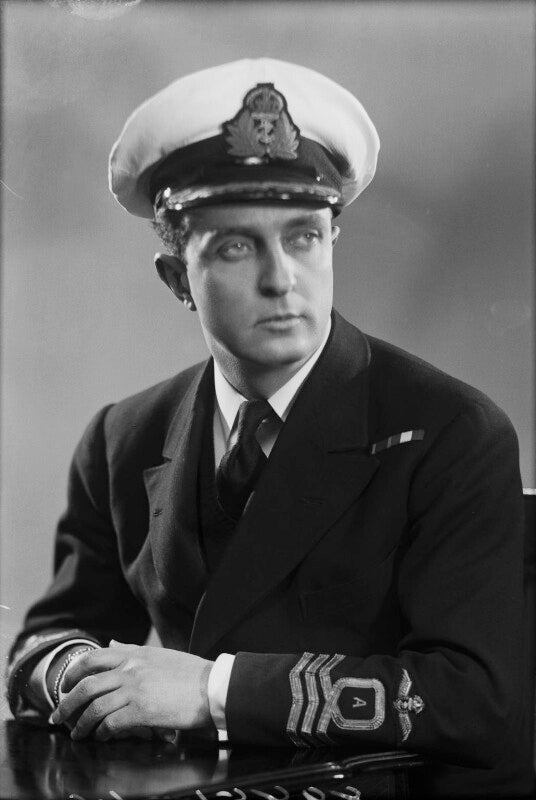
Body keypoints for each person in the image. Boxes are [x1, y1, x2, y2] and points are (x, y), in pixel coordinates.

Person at [6, 58, 533, 798]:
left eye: (304, 237)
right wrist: (79, 674)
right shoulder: (124, 437)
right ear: (176, 279)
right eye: (236, 246)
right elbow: (41, 644)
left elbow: (474, 700)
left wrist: (212, 690)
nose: (281, 278)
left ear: (332, 241)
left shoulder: (450, 433)